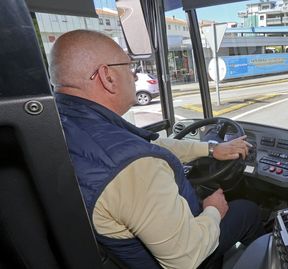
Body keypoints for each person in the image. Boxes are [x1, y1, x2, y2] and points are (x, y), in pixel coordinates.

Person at [49, 30, 263, 269]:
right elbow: (186, 258)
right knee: (247, 211)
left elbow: (149, 144)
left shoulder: (68, 122)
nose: (134, 75)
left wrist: (211, 149)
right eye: (129, 67)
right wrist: (213, 210)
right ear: (107, 77)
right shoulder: (133, 167)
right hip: (190, 254)